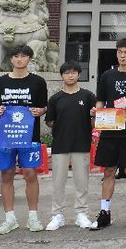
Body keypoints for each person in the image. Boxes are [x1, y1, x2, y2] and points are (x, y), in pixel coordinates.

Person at [0, 45, 48, 234]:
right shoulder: (0, 82)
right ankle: (9, 218)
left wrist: (41, 111)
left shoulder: (38, 82)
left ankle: (33, 217)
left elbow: (43, 107)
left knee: (30, 173)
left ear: (30, 58)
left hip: (29, 135)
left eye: (23, 56)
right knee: (6, 174)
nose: (19, 59)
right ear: (11, 59)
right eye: (16, 56)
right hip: (4, 136)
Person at [89, 38, 126, 230]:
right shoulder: (107, 75)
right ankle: (104, 212)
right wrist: (95, 113)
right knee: (108, 171)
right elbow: (101, 100)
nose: (122, 56)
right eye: (119, 52)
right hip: (110, 129)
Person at [45, 60, 96, 231]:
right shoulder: (55, 98)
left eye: (74, 72)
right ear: (62, 75)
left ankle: (81, 213)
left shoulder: (88, 96)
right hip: (60, 144)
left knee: (82, 182)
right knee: (58, 183)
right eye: (67, 73)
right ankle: (57, 214)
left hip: (81, 143)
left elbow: (95, 122)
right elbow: (50, 121)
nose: (70, 75)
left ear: (79, 75)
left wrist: (93, 116)